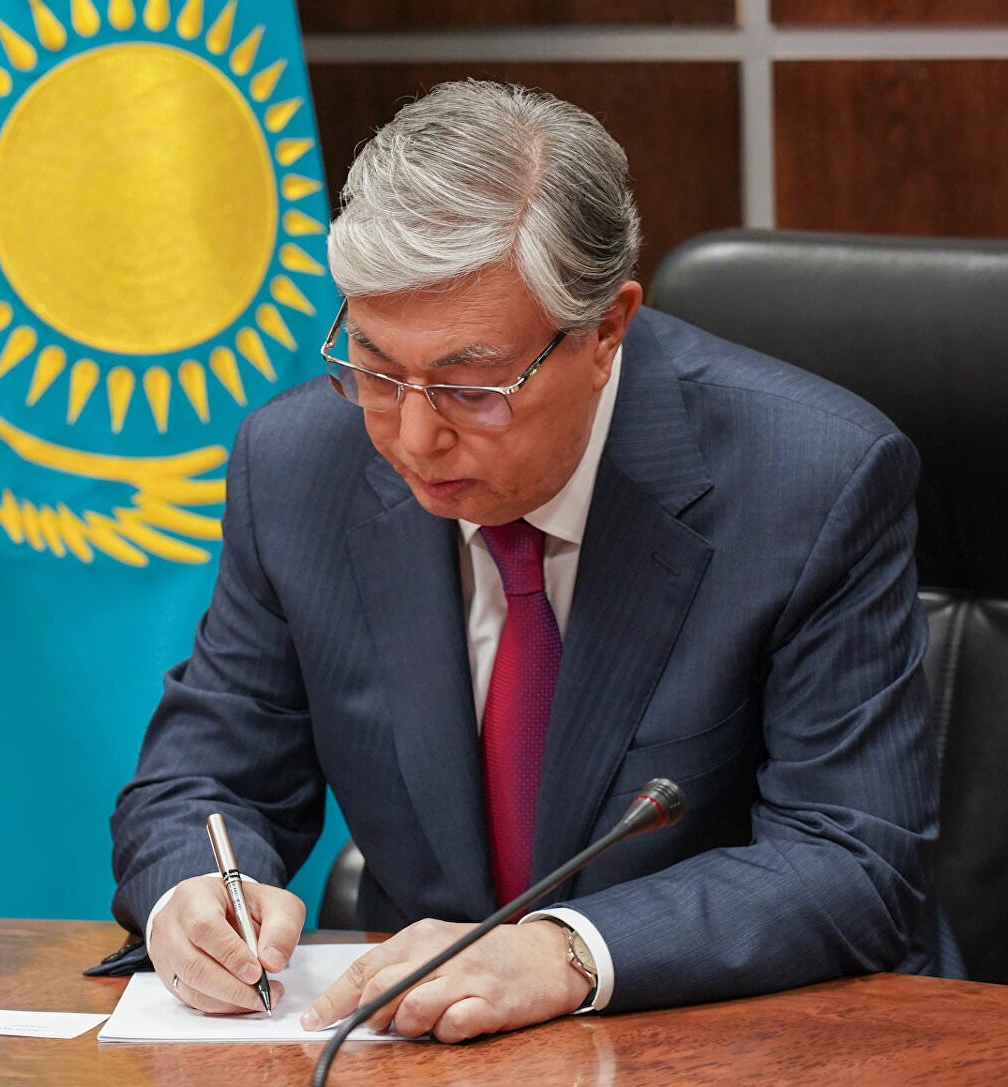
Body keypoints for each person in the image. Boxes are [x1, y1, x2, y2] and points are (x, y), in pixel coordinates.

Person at [108, 79, 955, 1043]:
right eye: (376, 369)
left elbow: (852, 858)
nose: (414, 438)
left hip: (751, 1035)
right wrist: (193, 891)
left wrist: (567, 950)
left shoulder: (811, 480)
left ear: (606, 331)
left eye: (471, 386)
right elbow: (208, 779)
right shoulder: (297, 466)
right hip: (425, 1050)